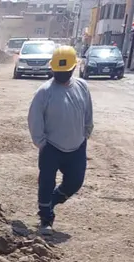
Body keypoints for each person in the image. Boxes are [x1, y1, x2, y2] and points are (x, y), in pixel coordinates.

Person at [27, 46, 93, 237]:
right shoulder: (44, 92)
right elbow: (34, 118)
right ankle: (46, 218)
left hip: (77, 145)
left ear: (73, 69)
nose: (61, 74)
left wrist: (86, 132)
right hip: (51, 147)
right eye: (58, 71)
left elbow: (88, 112)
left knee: (75, 182)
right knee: (46, 182)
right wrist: (41, 142)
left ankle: (52, 200)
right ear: (52, 69)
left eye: (64, 71)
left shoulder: (82, 86)